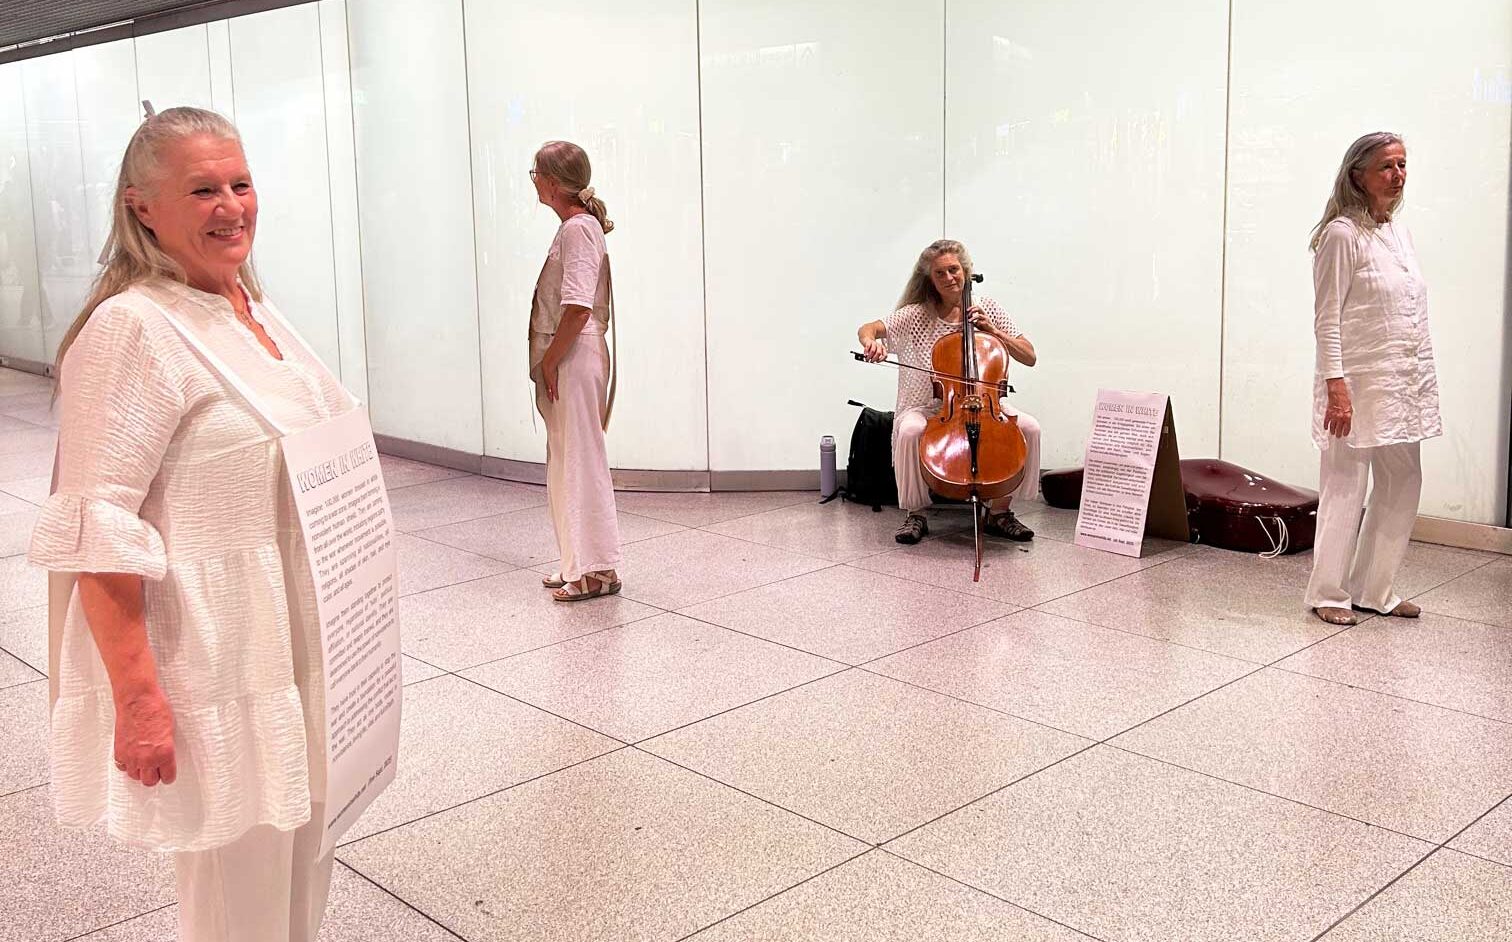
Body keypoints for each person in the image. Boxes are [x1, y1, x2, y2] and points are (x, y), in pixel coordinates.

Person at [28, 106, 357, 941]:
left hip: (292, 647)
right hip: (215, 662)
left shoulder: (250, 307)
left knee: (296, 869)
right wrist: (140, 701)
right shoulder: (133, 328)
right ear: (142, 206)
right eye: (202, 189)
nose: (231, 206)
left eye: (240, 183)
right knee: (235, 895)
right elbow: (95, 526)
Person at [1303, 132, 1439, 626]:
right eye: (1387, 166)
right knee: (1345, 484)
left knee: (1404, 481)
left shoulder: (1399, 233)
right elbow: (1328, 320)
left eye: (1403, 165)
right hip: (1354, 386)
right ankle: (1329, 592)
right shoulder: (1341, 234)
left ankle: (1373, 588)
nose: (1398, 175)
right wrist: (1335, 388)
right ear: (1358, 174)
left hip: (1402, 382)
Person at [857, 239, 1041, 544]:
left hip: (985, 403)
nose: (948, 278)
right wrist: (871, 343)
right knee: (909, 430)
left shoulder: (989, 308)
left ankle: (1000, 512)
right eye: (939, 273)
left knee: (1030, 428)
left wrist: (992, 331)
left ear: (965, 271)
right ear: (930, 279)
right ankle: (915, 514)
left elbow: (1029, 355)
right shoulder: (917, 314)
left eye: (953, 270)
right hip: (931, 406)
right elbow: (870, 327)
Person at [528, 141, 623, 600]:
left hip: (575, 356)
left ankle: (594, 568)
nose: (533, 181)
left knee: (580, 457)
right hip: (574, 354)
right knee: (567, 456)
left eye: (535, 173)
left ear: (551, 182)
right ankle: (578, 561)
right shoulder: (575, 228)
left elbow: (577, 308)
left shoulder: (577, 231)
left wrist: (549, 359)